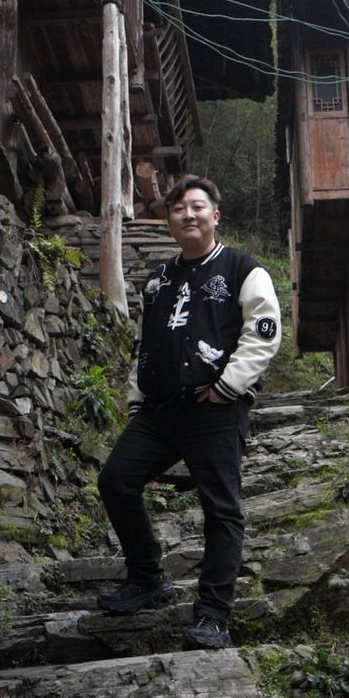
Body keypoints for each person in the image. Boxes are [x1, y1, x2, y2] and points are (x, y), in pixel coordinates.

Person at [95, 175, 282, 650]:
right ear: (170, 221)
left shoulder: (244, 269)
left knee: (221, 508)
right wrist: (136, 399)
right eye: (178, 209)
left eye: (197, 206)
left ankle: (213, 615)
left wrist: (227, 387)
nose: (188, 214)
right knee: (116, 480)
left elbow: (263, 332)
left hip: (214, 408)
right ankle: (147, 580)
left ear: (215, 215)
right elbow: (146, 344)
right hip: (158, 411)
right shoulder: (159, 280)